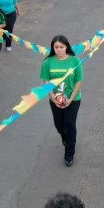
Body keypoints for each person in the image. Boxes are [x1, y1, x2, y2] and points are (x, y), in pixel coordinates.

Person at [41, 36, 84, 167]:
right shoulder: (47, 62)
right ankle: (64, 137)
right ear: (53, 48)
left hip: (73, 98)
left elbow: (79, 81)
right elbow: (46, 81)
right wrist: (53, 98)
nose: (59, 50)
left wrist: (70, 99)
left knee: (70, 123)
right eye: (56, 47)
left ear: (67, 47)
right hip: (55, 99)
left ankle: (69, 154)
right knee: (59, 124)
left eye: (61, 47)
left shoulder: (75, 61)